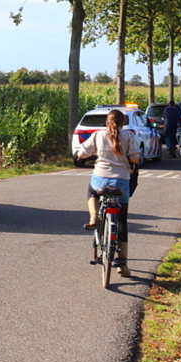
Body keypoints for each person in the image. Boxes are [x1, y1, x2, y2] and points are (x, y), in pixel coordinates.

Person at [74, 109, 140, 277]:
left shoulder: (98, 135)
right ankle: (122, 264)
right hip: (121, 181)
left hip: (101, 179)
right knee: (122, 221)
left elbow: (82, 153)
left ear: (107, 121)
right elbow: (135, 159)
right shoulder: (129, 136)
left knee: (91, 191)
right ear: (123, 123)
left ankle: (93, 217)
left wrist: (89, 154)